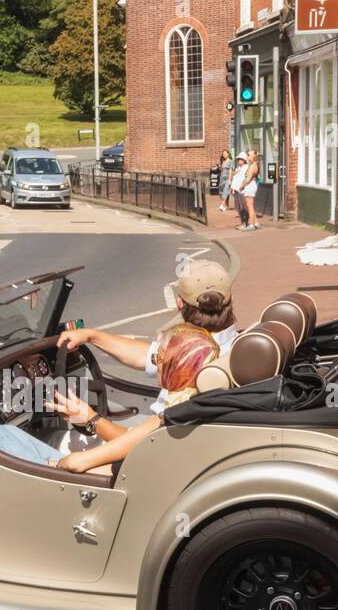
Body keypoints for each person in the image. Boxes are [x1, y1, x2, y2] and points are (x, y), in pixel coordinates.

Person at [55, 258, 239, 414]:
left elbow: (151, 436)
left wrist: (90, 419)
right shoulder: (237, 347)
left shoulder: (187, 359)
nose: (159, 359)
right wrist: (91, 336)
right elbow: (146, 355)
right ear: (230, 300)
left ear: (179, 304)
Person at [50, 325, 220, 475]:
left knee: (51, 441)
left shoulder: (174, 413)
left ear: (173, 368)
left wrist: (89, 418)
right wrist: (90, 335)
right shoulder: (204, 400)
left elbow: (138, 445)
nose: (154, 364)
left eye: (158, 359)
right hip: (146, 466)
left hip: (133, 471)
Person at [229, 152, 253, 230]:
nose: (239, 161)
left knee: (243, 207)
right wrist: (232, 189)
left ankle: (245, 223)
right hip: (236, 190)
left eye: (241, 159)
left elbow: (244, 179)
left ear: (244, 160)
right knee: (238, 207)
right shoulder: (238, 168)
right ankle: (242, 222)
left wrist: (241, 187)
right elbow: (235, 179)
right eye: (238, 159)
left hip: (242, 190)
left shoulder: (246, 167)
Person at [244, 149, 263, 230]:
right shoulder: (253, 165)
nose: (247, 156)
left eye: (249, 155)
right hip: (251, 185)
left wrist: (241, 186)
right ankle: (256, 222)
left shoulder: (252, 166)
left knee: (249, 206)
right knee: (249, 205)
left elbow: (248, 179)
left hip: (250, 186)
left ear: (253, 156)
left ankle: (251, 224)